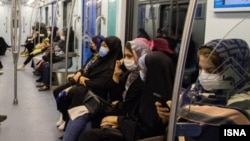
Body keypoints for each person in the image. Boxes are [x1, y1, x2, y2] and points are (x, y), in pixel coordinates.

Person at [155, 38, 250, 141]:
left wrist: (184, 114)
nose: (203, 75)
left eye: (210, 70)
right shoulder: (194, 91)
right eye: (200, 68)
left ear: (235, 70)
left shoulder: (244, 101)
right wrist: (169, 116)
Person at [79, 50, 176, 141]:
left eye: (144, 69)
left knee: (90, 135)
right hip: (131, 127)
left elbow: (147, 129)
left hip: (141, 136)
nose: (141, 72)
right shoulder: (149, 87)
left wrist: (119, 121)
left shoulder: (160, 96)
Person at [53, 36, 123, 133]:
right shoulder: (99, 58)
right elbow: (87, 69)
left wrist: (83, 80)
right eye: (102, 45)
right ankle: (66, 117)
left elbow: (102, 84)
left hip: (97, 94)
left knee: (75, 93)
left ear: (112, 48)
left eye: (105, 46)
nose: (102, 48)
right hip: (87, 85)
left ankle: (68, 121)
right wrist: (79, 74)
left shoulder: (114, 66)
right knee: (62, 92)